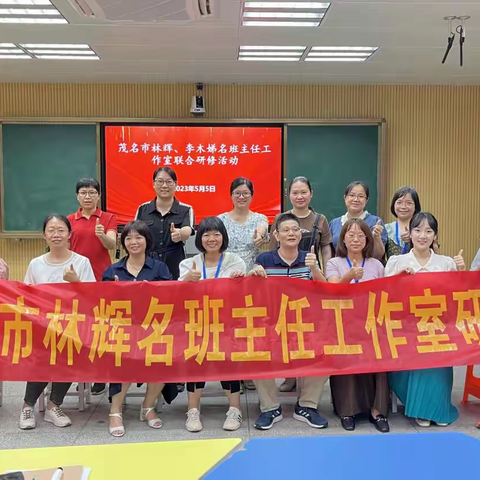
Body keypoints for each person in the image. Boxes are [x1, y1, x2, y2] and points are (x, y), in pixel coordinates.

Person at [249, 212, 329, 430]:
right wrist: (254, 274)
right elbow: (253, 293)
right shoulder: (265, 260)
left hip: (304, 326)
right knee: (256, 352)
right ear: (276, 235)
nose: (291, 233)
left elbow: (324, 290)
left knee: (325, 352)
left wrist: (314, 268)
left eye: (295, 229)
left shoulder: (309, 257)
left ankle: (306, 406)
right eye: (286, 230)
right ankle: (270, 408)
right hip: (271, 325)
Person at [385, 212, 465, 427]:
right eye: (418, 230)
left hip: (438, 327)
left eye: (428, 231)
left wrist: (462, 272)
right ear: (409, 233)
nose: (423, 235)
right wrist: (397, 279)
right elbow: (384, 297)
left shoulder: (446, 262)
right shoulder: (396, 261)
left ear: (435, 236)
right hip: (406, 328)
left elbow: (458, 298)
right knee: (417, 350)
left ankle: (437, 408)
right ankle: (420, 408)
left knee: (436, 349)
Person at [19, 215, 96, 430]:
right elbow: (27, 297)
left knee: (69, 352)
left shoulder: (81, 262)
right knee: (43, 355)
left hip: (73, 327)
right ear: (44, 235)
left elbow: (93, 298)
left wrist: (76, 283)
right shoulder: (36, 264)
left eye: (61, 230)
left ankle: (54, 405)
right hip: (43, 327)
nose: (56, 234)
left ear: (70, 234)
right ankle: (27, 406)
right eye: (51, 230)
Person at [102, 220, 177, 437]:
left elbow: (170, 298)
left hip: (153, 329)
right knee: (123, 356)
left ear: (147, 241)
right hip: (122, 330)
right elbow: (101, 304)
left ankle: (148, 406)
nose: (133, 242)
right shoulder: (113, 269)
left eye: (138, 237)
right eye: (128, 238)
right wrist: (114, 291)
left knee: (163, 357)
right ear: (123, 243)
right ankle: (115, 410)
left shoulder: (159, 268)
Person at [179, 217, 246, 432]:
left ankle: (234, 409)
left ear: (223, 237)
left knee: (228, 359)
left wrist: (240, 281)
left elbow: (245, 294)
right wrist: (186, 280)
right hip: (197, 324)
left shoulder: (235, 261)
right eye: (206, 234)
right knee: (196, 359)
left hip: (228, 325)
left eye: (216, 234)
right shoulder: (189, 264)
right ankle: (192, 410)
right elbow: (175, 295)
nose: (211, 238)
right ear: (199, 238)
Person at [269, 176, 333, 393]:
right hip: (284, 279)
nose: (299, 196)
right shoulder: (281, 218)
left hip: (309, 276)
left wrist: (323, 269)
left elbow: (325, 248)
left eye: (303, 192)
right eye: (295, 192)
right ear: (288, 195)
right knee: (286, 326)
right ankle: (290, 376)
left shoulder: (320, 219)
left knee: (305, 327)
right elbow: (272, 248)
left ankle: (304, 373)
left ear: (311, 194)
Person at [326, 218, 390, 433]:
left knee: (379, 365)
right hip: (343, 325)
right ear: (343, 238)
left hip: (372, 324)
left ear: (367, 239)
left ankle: (377, 411)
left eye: (361, 235)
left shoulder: (377, 265)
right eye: (350, 235)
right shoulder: (334, 263)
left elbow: (387, 293)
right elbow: (332, 289)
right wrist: (349, 276)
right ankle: (347, 411)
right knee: (346, 366)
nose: (355, 239)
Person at [67, 178, 118, 396]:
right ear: (77, 196)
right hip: (77, 281)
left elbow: (112, 244)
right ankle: (82, 373)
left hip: (101, 280)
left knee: (101, 329)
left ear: (99, 196)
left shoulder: (108, 218)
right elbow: (65, 248)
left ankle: (100, 375)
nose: (88, 196)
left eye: (92, 193)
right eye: (83, 193)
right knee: (81, 329)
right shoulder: (69, 220)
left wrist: (101, 235)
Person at [218, 177, 268, 391]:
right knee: (229, 325)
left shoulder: (259, 218)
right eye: (237, 193)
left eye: (245, 193)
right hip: (228, 276)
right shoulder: (221, 220)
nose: (241, 197)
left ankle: (248, 370)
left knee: (249, 325)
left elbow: (263, 231)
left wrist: (262, 235)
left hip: (251, 277)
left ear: (251, 196)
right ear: (231, 195)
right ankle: (232, 370)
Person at [135, 167, 194, 281]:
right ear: (154, 183)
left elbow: (188, 230)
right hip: (147, 263)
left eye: (169, 182)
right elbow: (135, 233)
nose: (164, 186)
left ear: (175, 184)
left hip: (175, 263)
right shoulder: (143, 209)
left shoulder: (185, 209)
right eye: (160, 181)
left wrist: (180, 234)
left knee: (175, 297)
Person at [329, 181, 387, 260]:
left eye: (361, 196)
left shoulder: (375, 222)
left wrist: (377, 237)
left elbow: (379, 255)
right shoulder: (334, 223)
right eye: (352, 195)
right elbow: (330, 252)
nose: (356, 199)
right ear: (345, 198)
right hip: (340, 269)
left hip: (367, 269)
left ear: (366, 200)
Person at [384, 186, 421, 259]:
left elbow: (433, 251)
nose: (403, 206)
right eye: (399, 202)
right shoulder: (386, 229)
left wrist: (414, 238)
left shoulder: (422, 228)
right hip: (393, 269)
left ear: (416, 206)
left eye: (409, 203)